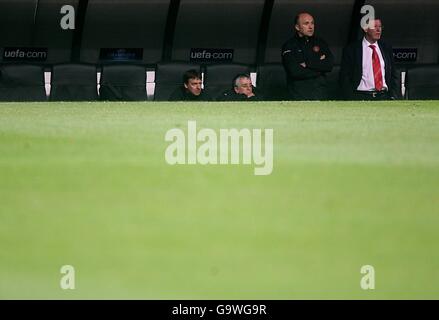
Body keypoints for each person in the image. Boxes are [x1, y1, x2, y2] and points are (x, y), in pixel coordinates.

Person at [339, 18, 400, 100]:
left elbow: (393, 73)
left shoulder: (386, 48)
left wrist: (393, 95)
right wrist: (350, 96)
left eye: (380, 26)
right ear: (365, 29)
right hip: (360, 97)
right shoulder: (352, 49)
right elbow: (345, 75)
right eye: (375, 26)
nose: (378, 30)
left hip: (384, 96)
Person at [282, 12, 334, 100]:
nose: (310, 27)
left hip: (320, 94)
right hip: (298, 95)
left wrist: (308, 64)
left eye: (312, 23)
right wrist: (320, 69)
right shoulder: (289, 45)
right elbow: (294, 71)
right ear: (297, 27)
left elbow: (329, 65)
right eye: (306, 23)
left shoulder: (320, 42)